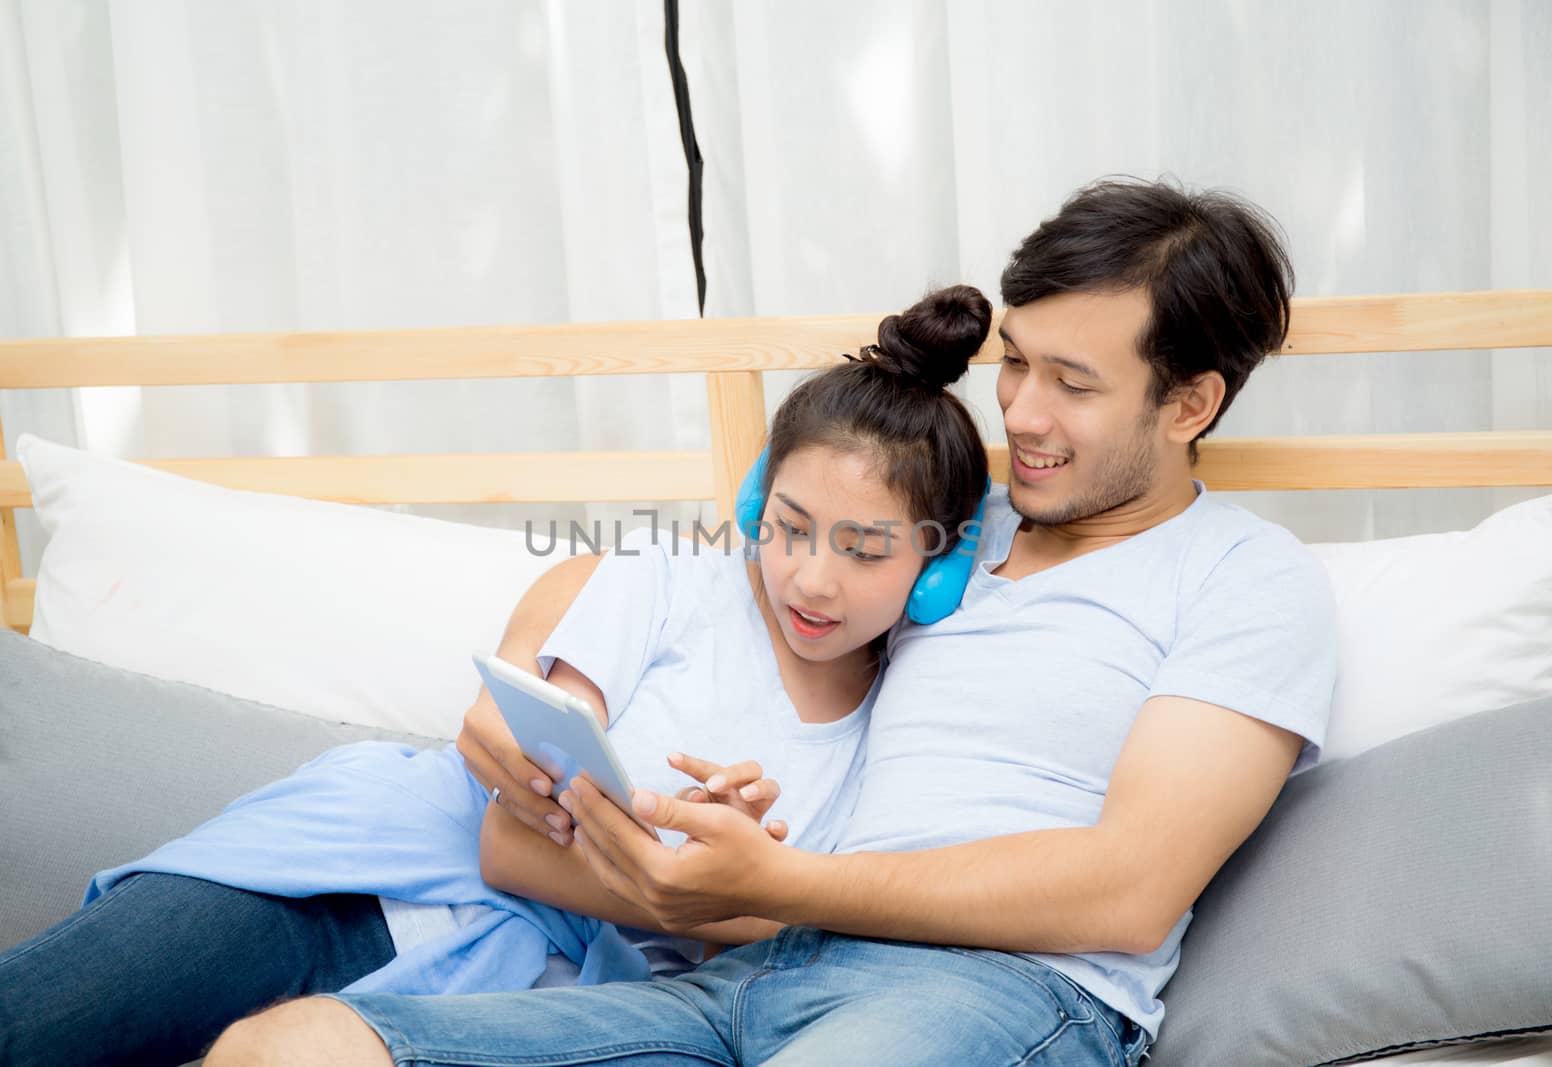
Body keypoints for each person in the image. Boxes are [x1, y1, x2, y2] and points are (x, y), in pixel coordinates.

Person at [206, 176, 1338, 1067]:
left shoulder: (1245, 578)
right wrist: (531, 677)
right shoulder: (929, 516)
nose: (1022, 414)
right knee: (286, 1045)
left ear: (1189, 401)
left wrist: (775, 882)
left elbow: (1128, 888)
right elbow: (685, 569)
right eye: (1014, 364)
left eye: (1074, 385)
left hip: (1002, 992)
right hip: (755, 970)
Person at [0, 288, 994, 1067]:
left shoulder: (904, 738)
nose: (811, 576)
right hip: (354, 868)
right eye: (789, 528)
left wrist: (725, 876)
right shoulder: (672, 574)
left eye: (864, 548)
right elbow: (511, 833)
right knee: (5, 1030)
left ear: (936, 565)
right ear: (756, 500)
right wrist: (692, 876)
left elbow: (781, 929)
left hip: (519, 989)